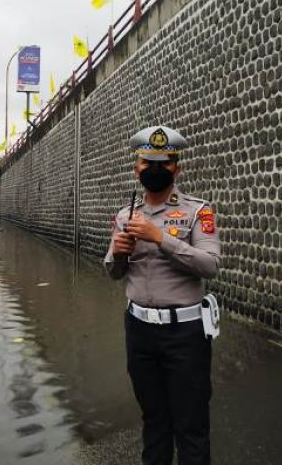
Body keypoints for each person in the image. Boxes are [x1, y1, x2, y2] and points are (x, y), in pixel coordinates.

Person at [105, 126, 221, 465]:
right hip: (139, 331)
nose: (155, 169)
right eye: (147, 162)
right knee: (153, 420)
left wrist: (161, 238)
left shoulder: (199, 212)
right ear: (136, 169)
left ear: (177, 169)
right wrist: (118, 251)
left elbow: (210, 265)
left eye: (165, 163)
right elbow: (113, 273)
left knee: (191, 425)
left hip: (185, 333)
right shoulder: (126, 215)